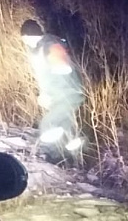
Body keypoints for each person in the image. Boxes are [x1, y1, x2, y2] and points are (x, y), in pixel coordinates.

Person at [20, 19, 86, 163]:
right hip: (63, 94)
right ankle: (73, 158)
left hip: (68, 94)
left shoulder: (50, 45)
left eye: (24, 38)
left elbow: (62, 67)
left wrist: (49, 92)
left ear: (31, 35)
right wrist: (45, 93)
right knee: (64, 127)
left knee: (48, 125)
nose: (24, 42)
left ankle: (54, 158)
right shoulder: (39, 49)